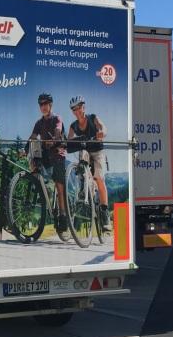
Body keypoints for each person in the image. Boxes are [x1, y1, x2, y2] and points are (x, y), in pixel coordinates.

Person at [27, 92, 69, 236]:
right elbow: (33, 137)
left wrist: (54, 139)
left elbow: (58, 130)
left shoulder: (57, 118)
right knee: (33, 157)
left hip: (58, 153)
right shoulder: (39, 123)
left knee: (59, 184)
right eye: (41, 104)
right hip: (46, 154)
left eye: (45, 104)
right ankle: (41, 187)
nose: (43, 107)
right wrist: (25, 149)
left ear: (50, 105)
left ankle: (63, 217)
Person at [67, 95, 110, 229]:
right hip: (85, 152)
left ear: (83, 107)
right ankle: (82, 186)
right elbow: (69, 140)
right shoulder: (73, 126)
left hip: (97, 152)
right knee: (82, 154)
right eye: (74, 109)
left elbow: (102, 126)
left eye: (79, 107)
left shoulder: (92, 118)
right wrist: (63, 144)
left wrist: (102, 132)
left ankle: (104, 212)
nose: (77, 111)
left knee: (99, 179)